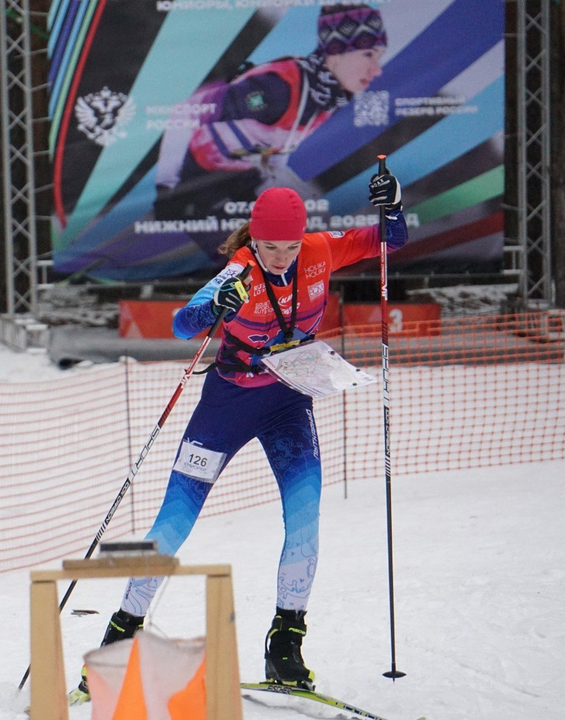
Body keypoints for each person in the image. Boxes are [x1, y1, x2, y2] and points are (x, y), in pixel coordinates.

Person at [69, 171, 407, 705]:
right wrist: (215, 305)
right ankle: (120, 638)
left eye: (289, 246)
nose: (280, 256)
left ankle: (286, 643)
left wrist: (394, 207)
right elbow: (184, 324)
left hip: (289, 402)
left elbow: (387, 239)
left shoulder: (319, 251)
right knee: (173, 521)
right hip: (226, 407)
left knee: (306, 515)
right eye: (269, 245)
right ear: (254, 239)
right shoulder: (241, 269)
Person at [154, 3, 388, 223]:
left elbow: (277, 149)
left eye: (379, 56)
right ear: (335, 54)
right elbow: (186, 112)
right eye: (368, 55)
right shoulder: (279, 88)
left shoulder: (328, 97)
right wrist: (167, 186)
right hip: (197, 178)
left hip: (241, 178)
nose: (377, 70)